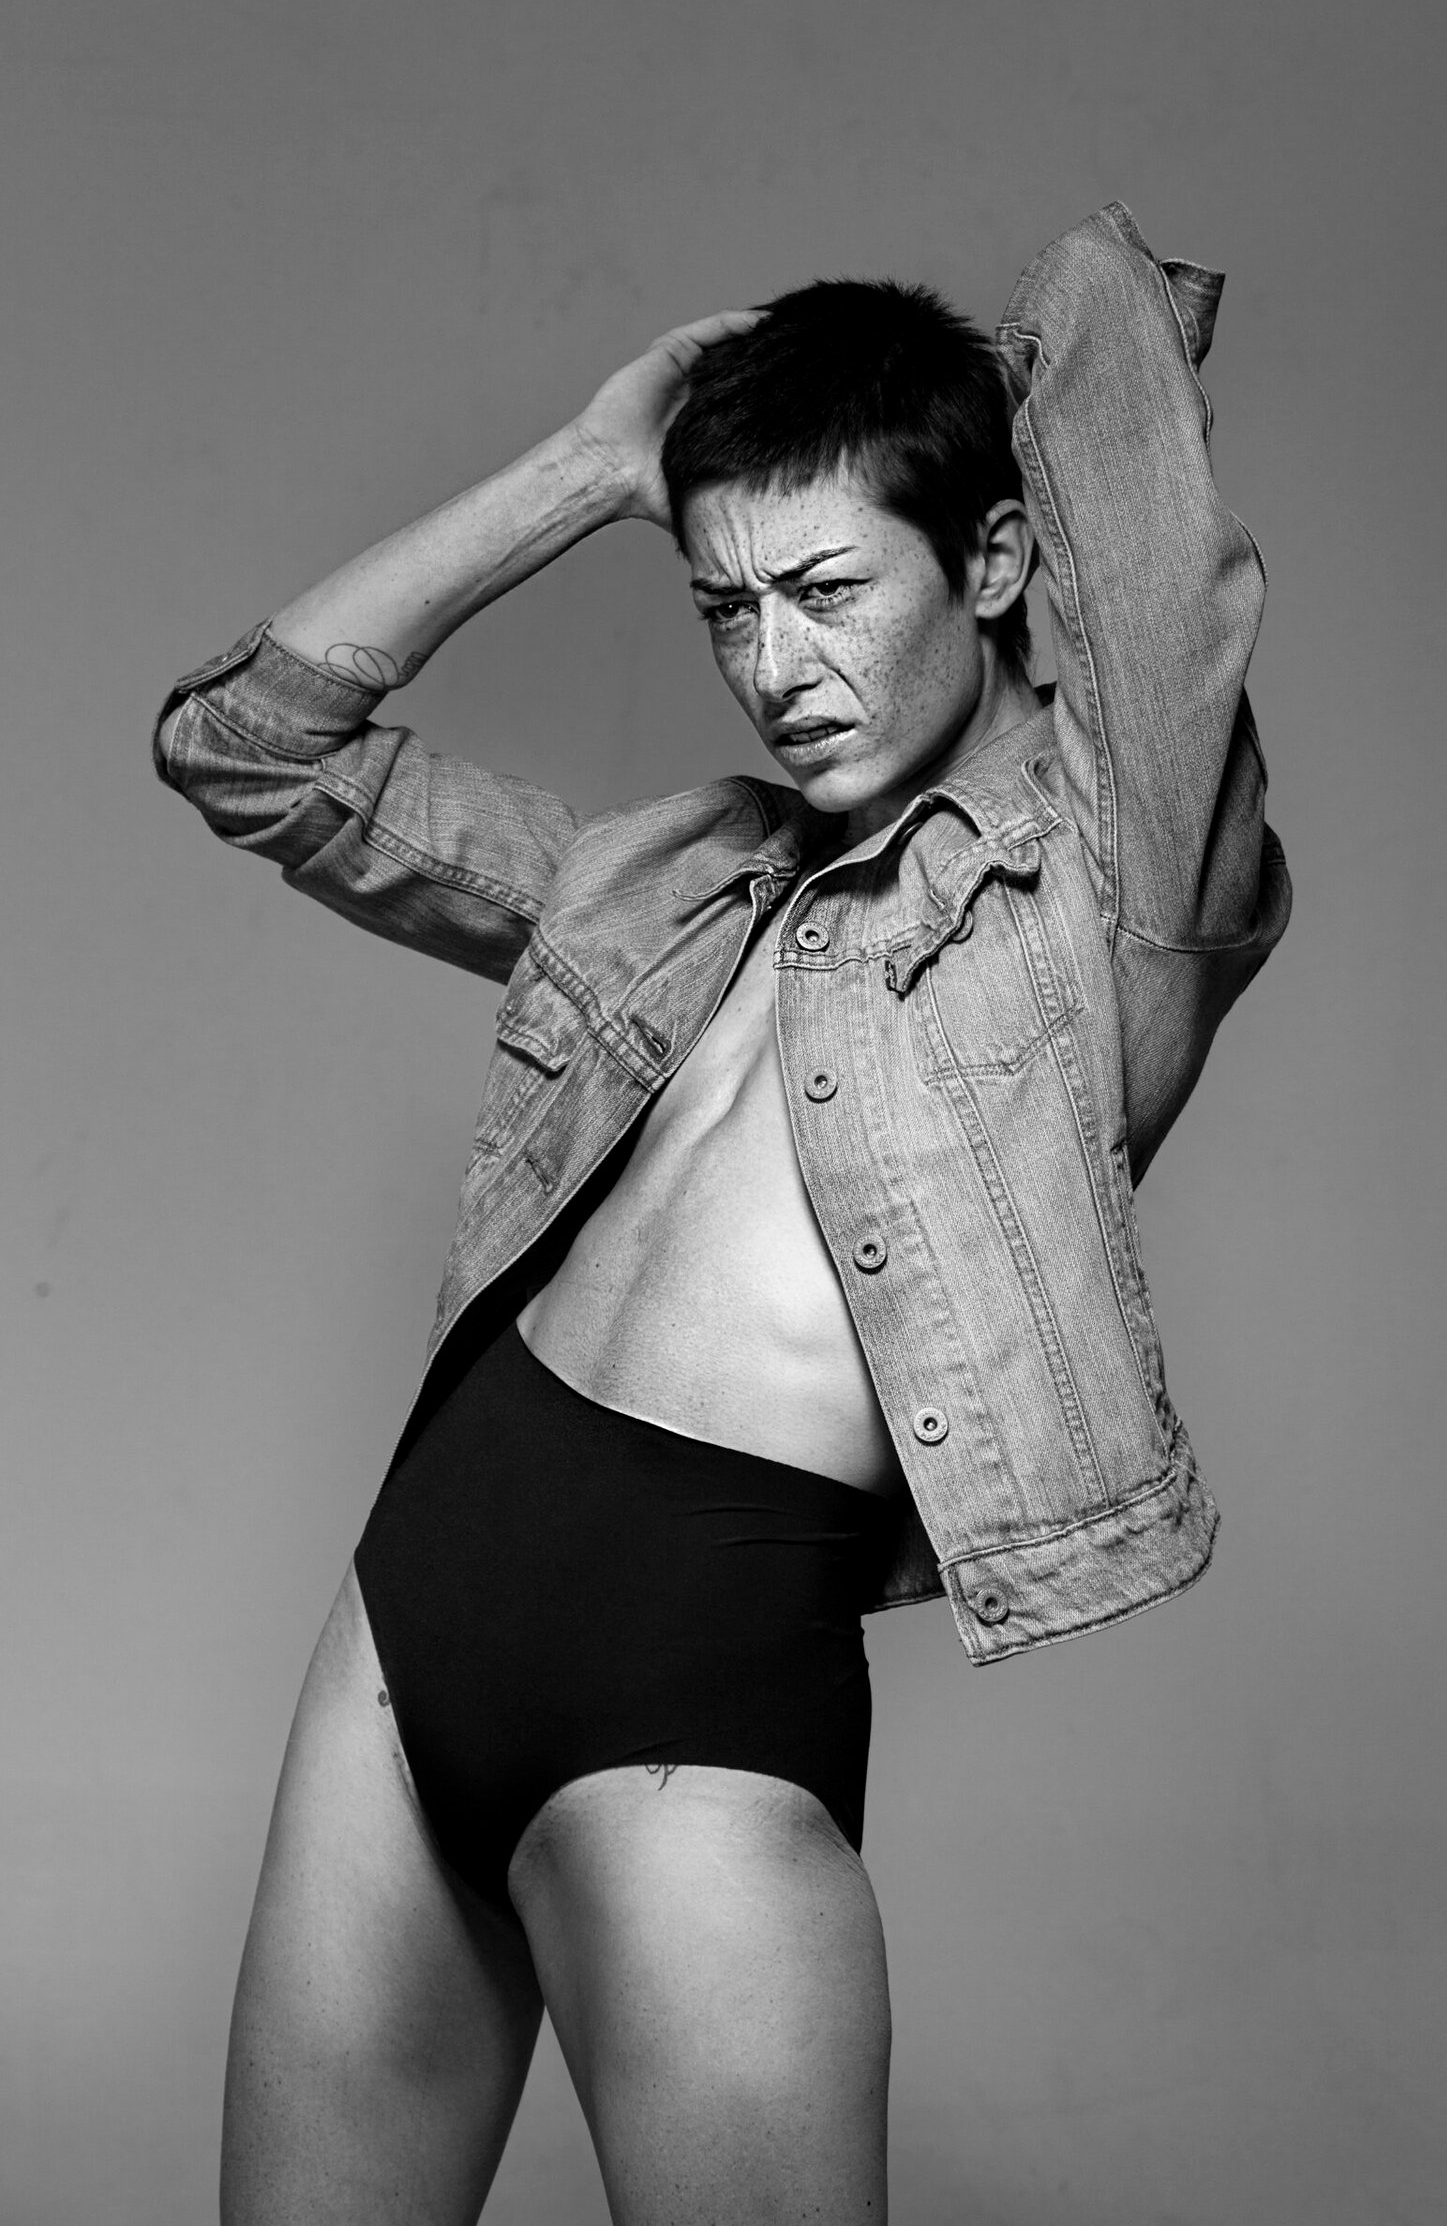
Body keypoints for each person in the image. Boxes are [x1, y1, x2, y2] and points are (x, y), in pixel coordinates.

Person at [154, 200, 1289, 2226]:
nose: (775, 667)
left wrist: (906, 397)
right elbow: (247, 752)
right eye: (725, 609)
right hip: (402, 1635)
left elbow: (1113, 359)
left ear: (997, 558)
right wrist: (588, 468)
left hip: (686, 1696)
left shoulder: (1118, 885)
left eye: (829, 589)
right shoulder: (669, 871)